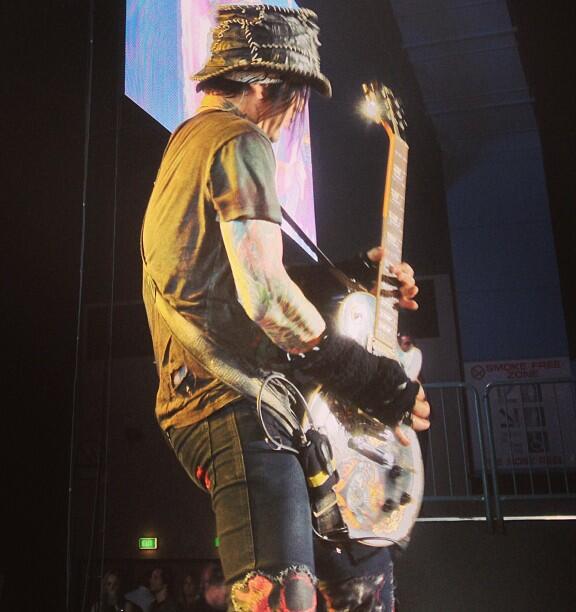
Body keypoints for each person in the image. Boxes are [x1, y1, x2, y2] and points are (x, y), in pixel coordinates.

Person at [141, 5, 430, 610]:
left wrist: (356, 271)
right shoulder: (240, 140)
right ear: (262, 84)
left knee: (363, 572)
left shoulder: (188, 144)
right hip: (234, 406)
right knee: (279, 598)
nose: (292, 119)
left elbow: (223, 279)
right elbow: (267, 296)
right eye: (295, 99)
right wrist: (372, 378)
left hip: (235, 404)